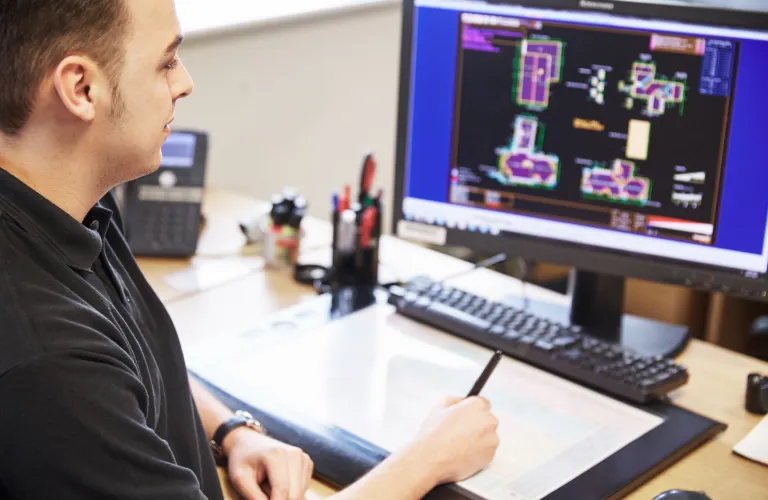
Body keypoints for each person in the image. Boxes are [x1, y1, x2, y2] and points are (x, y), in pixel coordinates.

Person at [0, 1, 500, 499]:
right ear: (82, 88)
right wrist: (427, 460)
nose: (185, 82)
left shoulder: (63, 198)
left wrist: (229, 429)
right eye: (167, 62)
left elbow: (131, 354)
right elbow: (86, 375)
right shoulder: (47, 360)